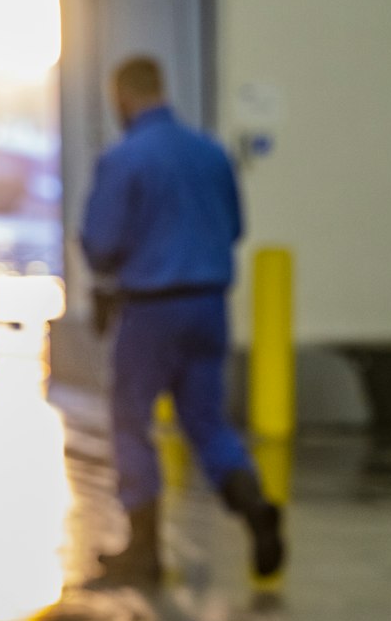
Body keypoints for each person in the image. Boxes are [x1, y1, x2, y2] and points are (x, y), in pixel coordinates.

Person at [80, 55, 284, 586]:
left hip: (151, 309)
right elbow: (235, 227)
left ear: (122, 97)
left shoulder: (124, 159)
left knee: (130, 419)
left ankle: (143, 551)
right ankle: (256, 506)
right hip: (210, 306)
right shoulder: (212, 154)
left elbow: (101, 244)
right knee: (206, 420)